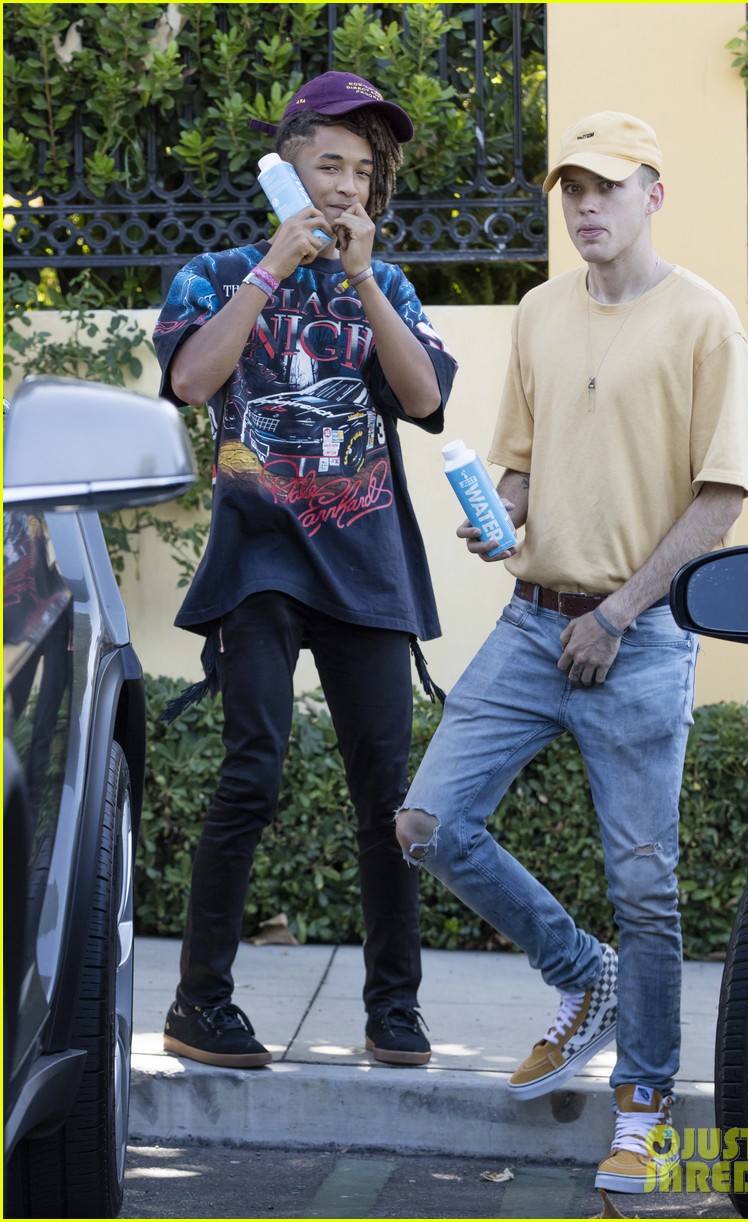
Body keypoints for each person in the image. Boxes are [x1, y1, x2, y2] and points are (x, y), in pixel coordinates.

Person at [395, 111, 748, 1191]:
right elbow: (517, 462)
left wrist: (619, 615)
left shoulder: (704, 323)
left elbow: (719, 499)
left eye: (607, 187)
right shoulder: (540, 312)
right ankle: (577, 973)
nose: (585, 207)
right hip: (529, 620)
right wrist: (495, 516)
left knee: (645, 888)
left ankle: (642, 1100)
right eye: (570, 190)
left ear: (652, 193)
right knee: (427, 822)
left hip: (635, 642)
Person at [152, 71, 458, 1071]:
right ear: (283, 170)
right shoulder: (215, 271)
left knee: (388, 794)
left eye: (363, 173)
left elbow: (421, 402)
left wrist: (363, 280)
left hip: (364, 562)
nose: (346, 188)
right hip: (260, 563)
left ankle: (395, 1008)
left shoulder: (388, 286)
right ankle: (201, 1003)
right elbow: (194, 378)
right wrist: (276, 266)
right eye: (329, 165)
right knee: (253, 772)